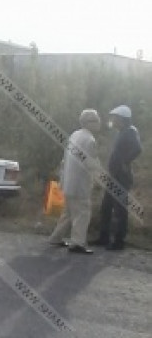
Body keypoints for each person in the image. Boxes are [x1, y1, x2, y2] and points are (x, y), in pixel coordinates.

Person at [49, 109, 101, 254]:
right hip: (80, 184)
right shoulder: (90, 140)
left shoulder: (75, 135)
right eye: (96, 120)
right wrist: (100, 177)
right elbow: (91, 164)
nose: (98, 123)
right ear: (88, 123)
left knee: (68, 212)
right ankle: (78, 243)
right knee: (82, 213)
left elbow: (64, 160)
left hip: (68, 181)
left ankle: (56, 237)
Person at [91, 105, 142, 251]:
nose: (113, 120)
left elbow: (138, 149)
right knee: (106, 207)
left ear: (122, 119)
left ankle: (119, 241)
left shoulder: (131, 131)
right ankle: (104, 237)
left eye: (115, 118)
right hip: (114, 175)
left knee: (120, 209)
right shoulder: (122, 132)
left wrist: (125, 162)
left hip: (122, 177)